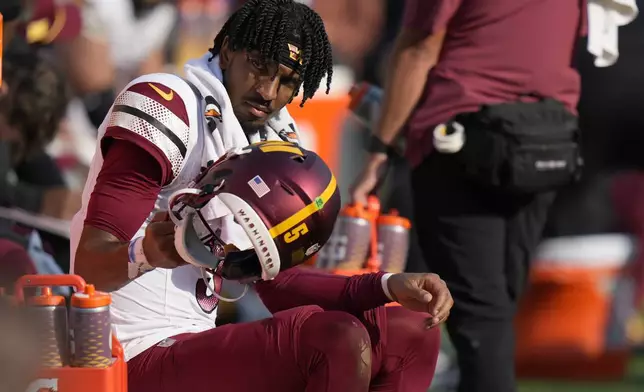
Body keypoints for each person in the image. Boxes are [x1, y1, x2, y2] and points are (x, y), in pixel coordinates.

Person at [70, 1, 453, 391]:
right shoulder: (170, 106)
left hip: (196, 343)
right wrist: (146, 254)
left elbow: (278, 284)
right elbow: (91, 266)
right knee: (335, 339)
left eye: (286, 80)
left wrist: (387, 286)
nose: (267, 91)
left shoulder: (269, 141)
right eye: (259, 65)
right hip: (127, 355)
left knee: (412, 327)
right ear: (229, 48)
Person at [351, 1, 586, 392]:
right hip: (549, 137)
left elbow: (418, 49)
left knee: (481, 317)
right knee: (496, 309)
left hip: (465, 139)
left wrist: (380, 150)